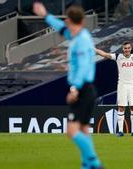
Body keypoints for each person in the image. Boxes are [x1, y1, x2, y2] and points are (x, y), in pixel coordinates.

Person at [33, 2, 103, 169]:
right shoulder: (77, 35)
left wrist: (74, 89)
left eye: (66, 20)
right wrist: (45, 15)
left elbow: (84, 67)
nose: (64, 23)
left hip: (82, 89)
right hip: (86, 89)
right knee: (84, 129)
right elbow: (61, 28)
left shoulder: (82, 41)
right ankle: (87, 165)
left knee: (72, 131)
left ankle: (95, 162)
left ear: (70, 20)